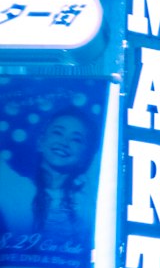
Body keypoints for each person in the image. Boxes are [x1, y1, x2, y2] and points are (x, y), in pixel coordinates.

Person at [0, 104, 101, 246]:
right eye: (57, 133)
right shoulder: (15, 189)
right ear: (41, 141)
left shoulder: (92, 196)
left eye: (76, 139)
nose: (64, 143)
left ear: (86, 155)